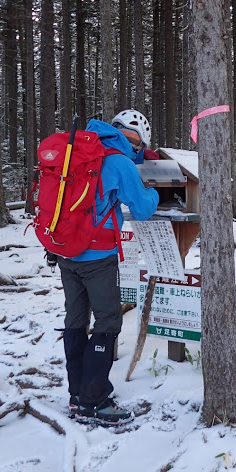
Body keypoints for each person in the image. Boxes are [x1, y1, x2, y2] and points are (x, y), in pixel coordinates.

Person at [60, 109, 159, 426]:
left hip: (66, 253)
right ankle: (95, 400)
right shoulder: (120, 161)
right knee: (108, 321)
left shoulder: (79, 151)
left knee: (75, 320)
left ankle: (77, 396)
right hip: (97, 256)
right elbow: (142, 209)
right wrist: (155, 191)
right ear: (137, 141)